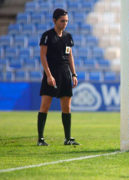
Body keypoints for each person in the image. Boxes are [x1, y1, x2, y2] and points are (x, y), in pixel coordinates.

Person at [37, 8, 79, 146]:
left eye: (66, 21)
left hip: (65, 73)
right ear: (54, 20)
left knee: (67, 107)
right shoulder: (47, 36)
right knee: (45, 106)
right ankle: (41, 139)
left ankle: (68, 138)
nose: (65, 23)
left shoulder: (68, 37)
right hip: (52, 73)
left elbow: (70, 56)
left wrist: (73, 74)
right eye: (62, 21)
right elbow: (43, 56)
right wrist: (49, 75)